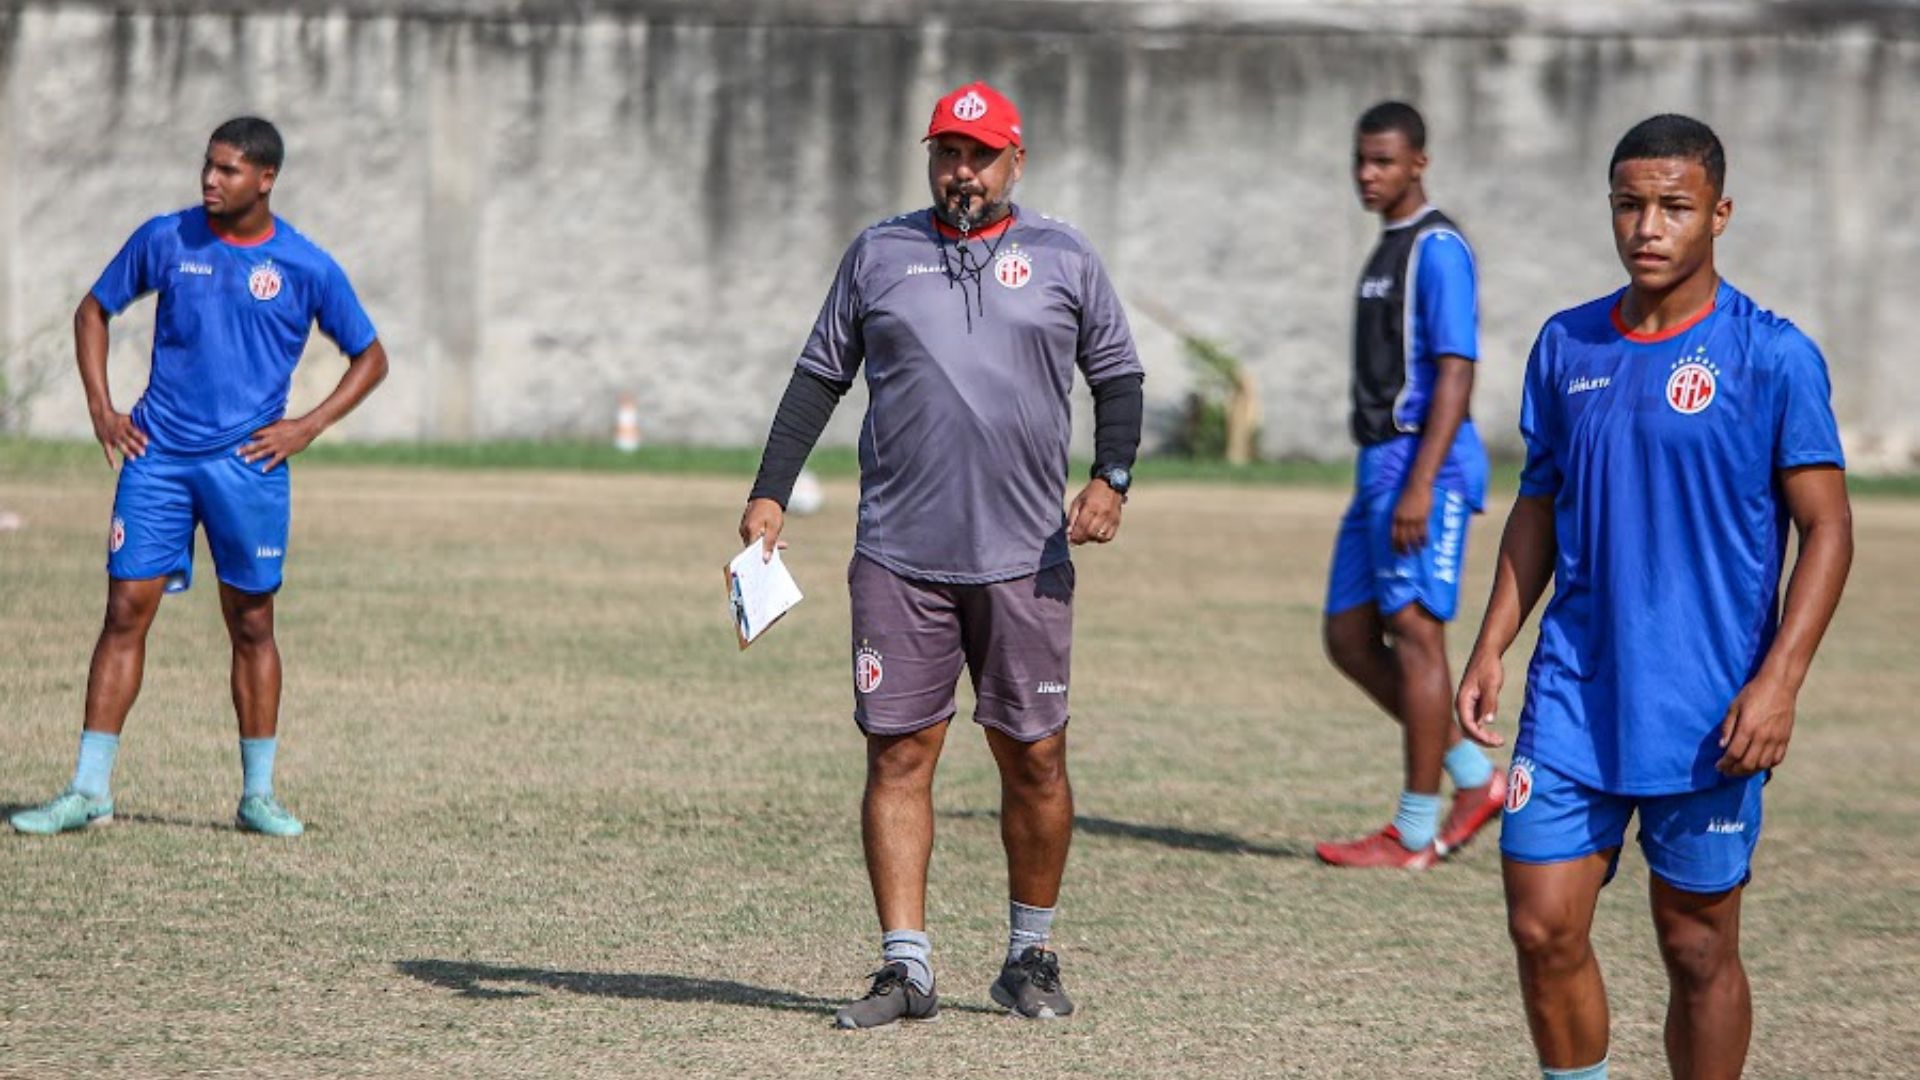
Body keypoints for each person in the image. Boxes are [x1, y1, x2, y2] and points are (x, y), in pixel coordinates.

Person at [1455, 115, 1853, 1080]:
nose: (1649, 226)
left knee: (1696, 946)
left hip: (1710, 708)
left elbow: (1829, 529)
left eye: (1674, 206)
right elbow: (1538, 505)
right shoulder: (1567, 344)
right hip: (1575, 694)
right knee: (1541, 927)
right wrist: (1491, 643)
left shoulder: (1771, 356)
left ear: (1718, 213)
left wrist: (1780, 683)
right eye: (1630, 205)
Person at [739, 81, 1144, 1028]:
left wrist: (1110, 479)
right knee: (898, 753)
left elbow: (1118, 375)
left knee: (1035, 757)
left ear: (1017, 160)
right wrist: (766, 489)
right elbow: (817, 378)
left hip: (1024, 556)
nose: (962, 173)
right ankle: (905, 969)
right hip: (898, 555)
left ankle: (1028, 957)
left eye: (980, 156)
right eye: (947, 155)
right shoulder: (880, 252)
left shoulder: (1064, 256)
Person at [10, 117, 389, 838]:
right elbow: (94, 310)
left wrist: (306, 426)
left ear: (265, 178)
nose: (210, 182)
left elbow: (371, 356)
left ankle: (258, 796)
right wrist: (101, 407)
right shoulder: (166, 238)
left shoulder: (306, 266)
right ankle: (89, 790)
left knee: (251, 622)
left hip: (248, 468)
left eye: (228, 171)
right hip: (158, 458)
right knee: (125, 610)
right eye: (206, 168)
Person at [1317, 101, 1503, 869]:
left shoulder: (1437, 247)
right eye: (1361, 159)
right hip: (1377, 465)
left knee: (1419, 638)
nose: (1369, 174)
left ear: (1418, 163)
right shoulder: (1387, 246)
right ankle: (1472, 779)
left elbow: (1456, 368)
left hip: (1422, 462)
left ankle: (1414, 830)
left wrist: (1423, 484)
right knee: (1349, 636)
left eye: (1384, 161)